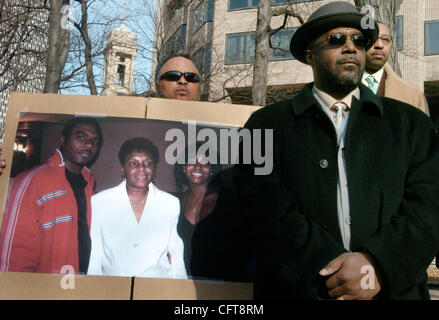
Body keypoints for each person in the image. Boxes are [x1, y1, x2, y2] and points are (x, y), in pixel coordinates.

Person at [234, 1, 439, 300]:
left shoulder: (413, 124)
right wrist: (335, 274)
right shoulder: (261, 124)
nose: (351, 48)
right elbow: (261, 206)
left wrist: (376, 267)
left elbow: (429, 206)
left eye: (359, 41)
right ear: (309, 55)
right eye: (336, 39)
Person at [0, 117, 102, 274]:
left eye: (95, 141)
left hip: (78, 281)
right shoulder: (32, 181)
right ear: (63, 140)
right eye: (81, 137)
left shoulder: (89, 183)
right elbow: (14, 252)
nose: (89, 145)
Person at [87, 137, 186, 279]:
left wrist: (181, 290)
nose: (142, 169)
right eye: (134, 163)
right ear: (123, 169)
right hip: (114, 287)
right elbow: (95, 251)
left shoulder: (170, 203)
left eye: (148, 163)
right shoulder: (100, 201)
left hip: (157, 285)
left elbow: (176, 252)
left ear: (154, 169)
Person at [174, 143, 251, 281]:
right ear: (183, 167)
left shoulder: (229, 199)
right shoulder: (174, 203)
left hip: (220, 281)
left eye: (205, 162)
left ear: (211, 168)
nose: (198, 166)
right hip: (182, 278)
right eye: (191, 161)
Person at [362, 21, 429, 115]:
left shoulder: (413, 94)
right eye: (373, 38)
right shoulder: (340, 87)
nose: (379, 45)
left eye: (385, 39)